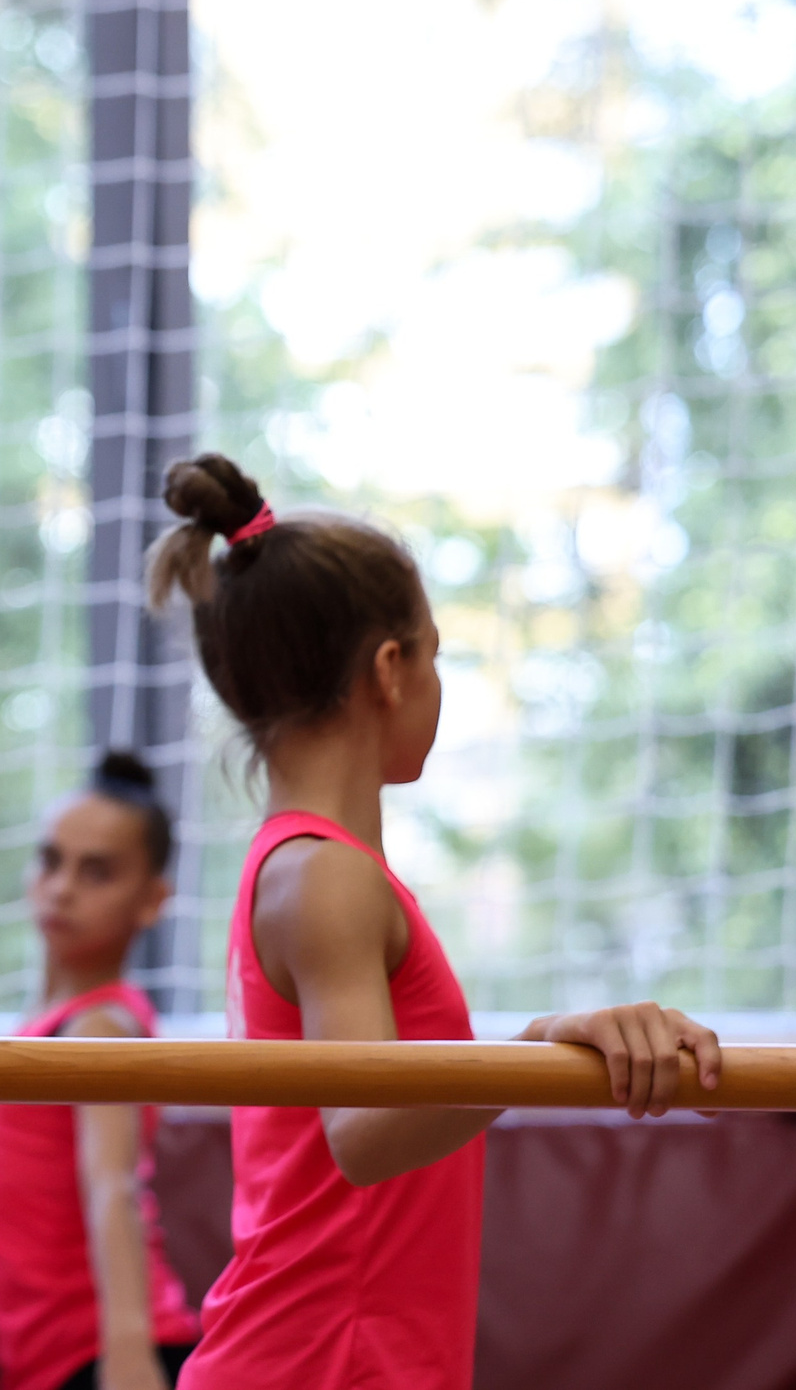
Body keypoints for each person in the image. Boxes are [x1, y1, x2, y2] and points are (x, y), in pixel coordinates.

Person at [144, 454, 722, 1390]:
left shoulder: (313, 867)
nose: (438, 683)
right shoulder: (325, 875)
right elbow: (363, 1130)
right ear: (390, 669)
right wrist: (537, 1049)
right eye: (436, 655)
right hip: (322, 1361)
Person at [0, 751, 201, 1390]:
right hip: (48, 1363)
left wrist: (129, 1357)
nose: (62, 887)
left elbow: (113, 1185)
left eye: (97, 872)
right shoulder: (45, 1027)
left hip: (109, 1358)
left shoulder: (99, 1027)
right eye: (51, 860)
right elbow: (7, 1136)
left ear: (152, 900)